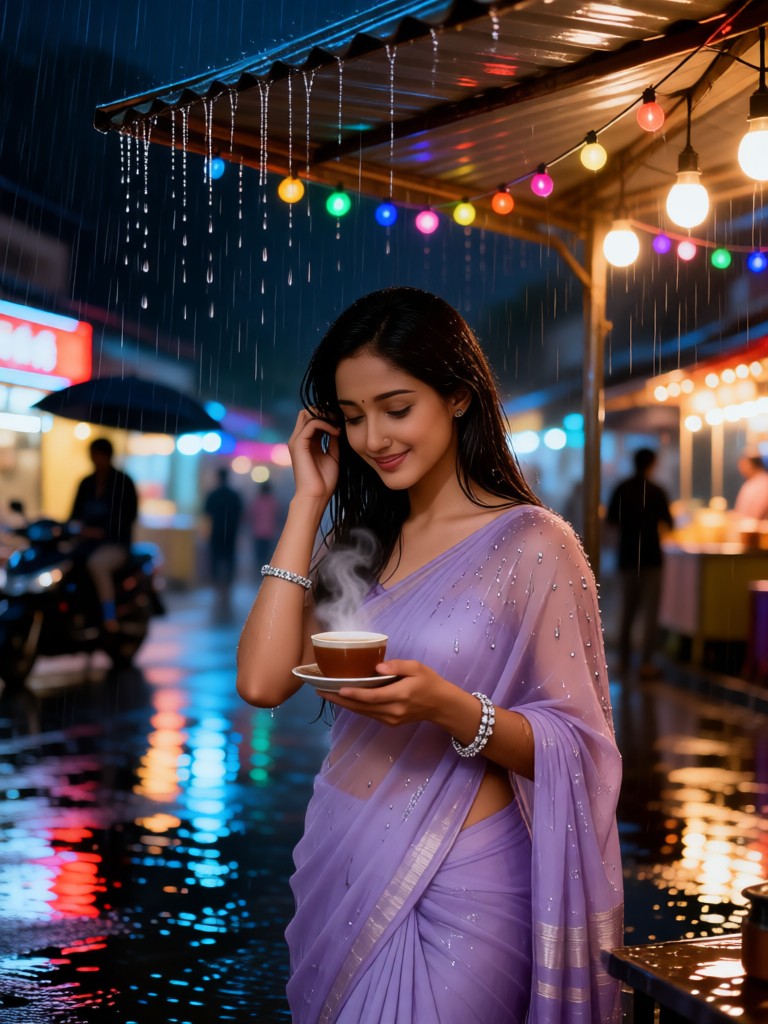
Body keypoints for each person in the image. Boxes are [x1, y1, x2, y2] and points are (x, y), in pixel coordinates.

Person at [237, 288, 623, 1023]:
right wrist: (306, 503)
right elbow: (260, 682)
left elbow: (581, 746)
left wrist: (449, 707)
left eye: (395, 407)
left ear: (456, 397)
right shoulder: (358, 543)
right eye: (352, 418)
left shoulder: (535, 544)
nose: (373, 436)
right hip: (341, 856)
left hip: (467, 878)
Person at [606, 447, 674, 677]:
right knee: (650, 613)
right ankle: (645, 663)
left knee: (627, 610)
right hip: (651, 557)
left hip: (626, 557)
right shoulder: (656, 491)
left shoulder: (621, 489)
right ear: (652, 464)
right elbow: (669, 522)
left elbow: (611, 521)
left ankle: (624, 661)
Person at [70, 436, 138, 631]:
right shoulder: (86, 483)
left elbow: (128, 517)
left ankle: (109, 616)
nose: (95, 459)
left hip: (115, 545)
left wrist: (102, 532)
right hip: (86, 544)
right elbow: (74, 514)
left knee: (97, 565)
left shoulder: (123, 483)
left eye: (98, 455)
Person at [203, 466, 243, 614]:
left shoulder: (213, 495)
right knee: (229, 559)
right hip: (231, 533)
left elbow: (206, 513)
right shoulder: (234, 495)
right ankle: (228, 587)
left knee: (216, 558)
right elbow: (240, 514)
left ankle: (217, 587)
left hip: (216, 532)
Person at [248, 479, 281, 578]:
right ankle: (266, 572)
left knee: (258, 554)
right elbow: (277, 516)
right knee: (268, 554)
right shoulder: (273, 502)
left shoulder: (256, 501)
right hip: (270, 532)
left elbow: (251, 516)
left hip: (257, 532)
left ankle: (258, 571)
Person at [734, 449, 768, 520]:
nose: (740, 469)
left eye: (744, 464)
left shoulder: (763, 484)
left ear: (753, 465)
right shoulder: (750, 483)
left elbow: (755, 515)